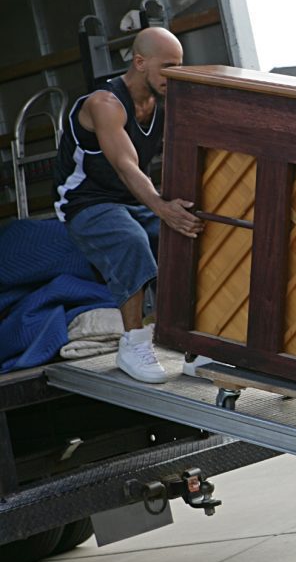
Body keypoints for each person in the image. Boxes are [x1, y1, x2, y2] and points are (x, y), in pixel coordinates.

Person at [54, 27, 204, 384]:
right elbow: (126, 166)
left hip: (131, 200)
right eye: (168, 65)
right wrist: (161, 207)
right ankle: (133, 343)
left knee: (189, 236)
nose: (175, 74)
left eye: (179, 65)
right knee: (132, 240)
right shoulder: (104, 104)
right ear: (139, 62)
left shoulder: (163, 103)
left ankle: (193, 345)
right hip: (85, 202)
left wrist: (176, 207)